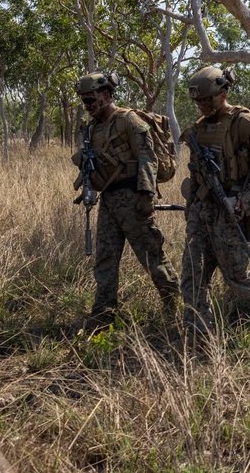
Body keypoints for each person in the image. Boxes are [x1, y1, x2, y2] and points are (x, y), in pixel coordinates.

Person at [180, 66, 250, 346]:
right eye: (197, 102)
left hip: (232, 210)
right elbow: (196, 173)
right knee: (192, 275)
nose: (201, 106)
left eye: (206, 101)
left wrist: (245, 202)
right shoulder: (199, 129)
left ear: (223, 93)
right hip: (203, 208)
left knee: (236, 276)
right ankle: (199, 335)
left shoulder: (245, 124)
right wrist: (192, 209)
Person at [71, 71, 180, 333]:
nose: (87, 106)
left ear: (106, 95)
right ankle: (104, 315)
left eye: (90, 100)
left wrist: (146, 195)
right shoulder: (94, 128)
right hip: (109, 201)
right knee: (105, 259)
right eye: (84, 102)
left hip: (133, 199)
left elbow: (148, 157)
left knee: (152, 257)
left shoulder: (129, 120)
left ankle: (175, 308)